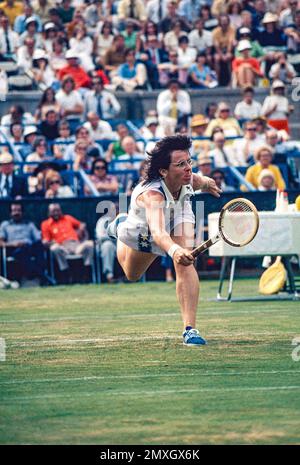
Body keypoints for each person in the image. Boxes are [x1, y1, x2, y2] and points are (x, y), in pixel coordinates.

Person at [106, 135, 221, 346]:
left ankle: (190, 329)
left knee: (186, 263)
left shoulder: (187, 178)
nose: (188, 168)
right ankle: (119, 225)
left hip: (179, 213)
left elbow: (199, 181)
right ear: (163, 171)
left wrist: (207, 183)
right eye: (180, 164)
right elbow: (158, 232)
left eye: (189, 161)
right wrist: (175, 250)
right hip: (145, 229)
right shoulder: (152, 195)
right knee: (132, 274)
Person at [41, 203, 94, 283]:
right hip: (62, 247)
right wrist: (51, 242)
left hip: (76, 245)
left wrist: (80, 230)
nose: (56, 213)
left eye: (58, 211)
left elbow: (82, 224)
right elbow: (46, 241)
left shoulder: (67, 218)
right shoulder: (46, 224)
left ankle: (87, 274)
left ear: (61, 211)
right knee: (54, 248)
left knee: (89, 244)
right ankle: (65, 275)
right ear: (49, 212)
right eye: (53, 211)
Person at [0, 202, 47, 284]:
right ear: (10, 213)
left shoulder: (29, 224)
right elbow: (1, 242)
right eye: (14, 210)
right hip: (13, 249)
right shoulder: (5, 225)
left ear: (22, 212)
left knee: (40, 246)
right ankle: (41, 276)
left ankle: (38, 274)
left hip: (30, 248)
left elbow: (38, 238)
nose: (16, 213)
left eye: (19, 210)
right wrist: (13, 244)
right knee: (21, 251)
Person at [95, 210, 117, 283]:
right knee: (107, 245)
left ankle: (132, 275)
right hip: (109, 244)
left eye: (118, 208)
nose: (115, 211)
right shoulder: (102, 221)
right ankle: (109, 276)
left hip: (123, 245)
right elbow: (100, 237)